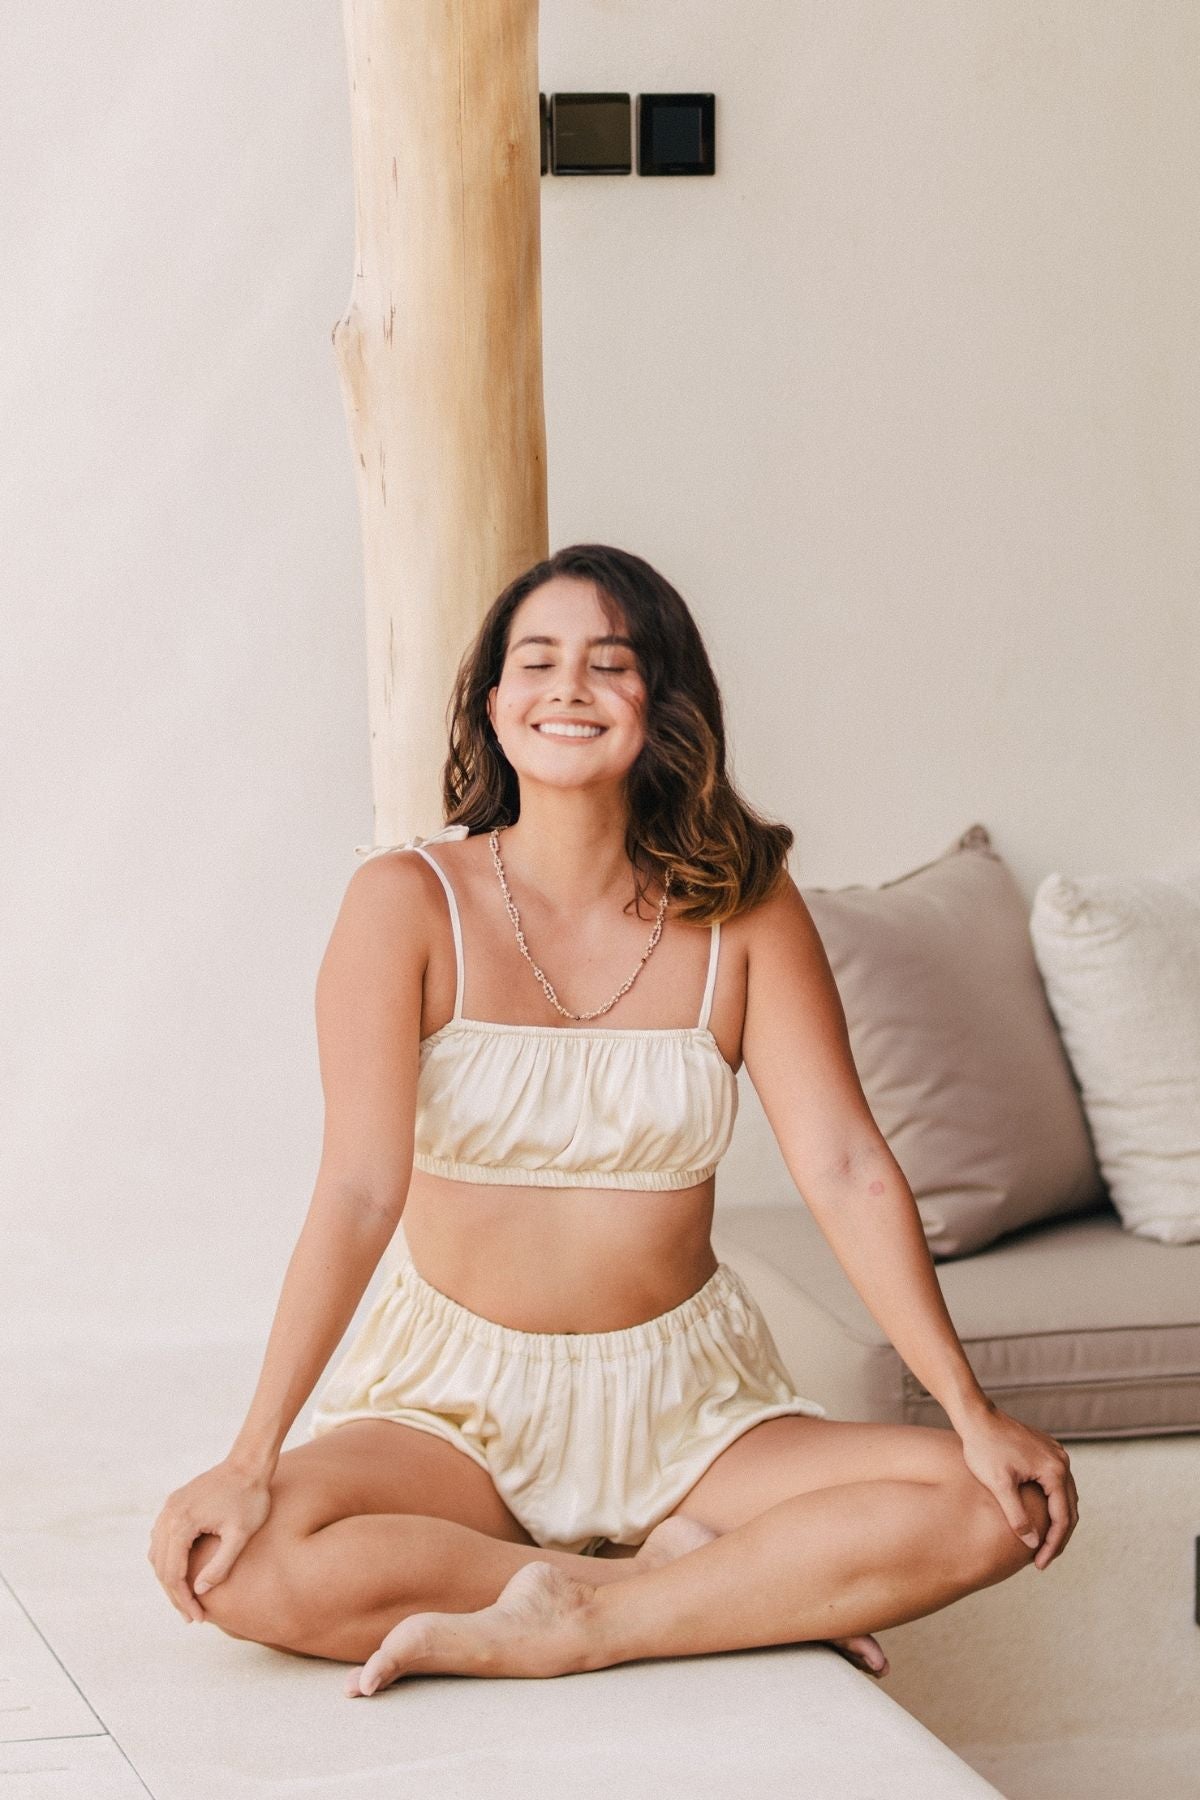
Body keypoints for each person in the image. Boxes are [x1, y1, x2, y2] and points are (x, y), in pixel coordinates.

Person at [149, 543, 1078, 1696]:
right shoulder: (404, 905)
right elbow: (357, 1190)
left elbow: (844, 1165)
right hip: (454, 1407)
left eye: (609, 662)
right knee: (243, 1568)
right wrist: (251, 1456)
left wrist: (969, 1409)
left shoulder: (745, 910)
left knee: (991, 1506)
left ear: (662, 699)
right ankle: (695, 1591)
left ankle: (586, 1623)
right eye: (536, 662)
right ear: (494, 707)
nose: (569, 688)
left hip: (690, 1413)